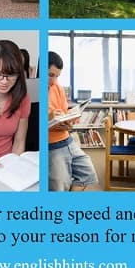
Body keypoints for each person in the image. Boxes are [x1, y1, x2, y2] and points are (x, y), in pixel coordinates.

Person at [48, 51, 99, 191]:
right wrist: (50, 117)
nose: (54, 80)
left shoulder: (57, 87)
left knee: (87, 173)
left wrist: (68, 122)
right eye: (50, 75)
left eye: (57, 76)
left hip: (67, 139)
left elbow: (63, 113)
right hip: (51, 145)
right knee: (60, 185)